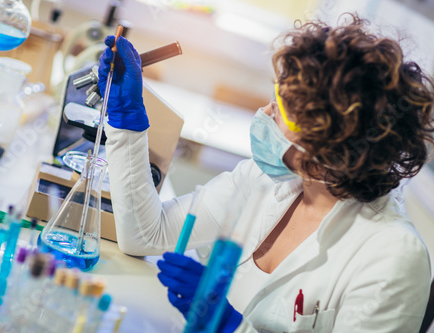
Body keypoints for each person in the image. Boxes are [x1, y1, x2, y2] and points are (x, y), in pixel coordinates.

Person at [98, 14, 434, 332]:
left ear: (332, 143)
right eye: (277, 96)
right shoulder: (265, 179)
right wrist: (128, 120)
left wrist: (228, 325)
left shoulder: (393, 257)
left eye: (282, 110)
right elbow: (145, 234)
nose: (264, 112)